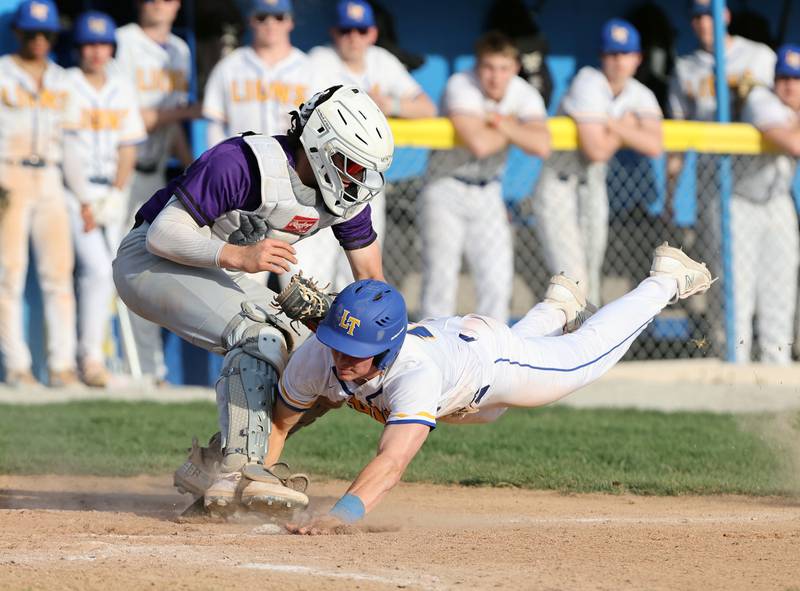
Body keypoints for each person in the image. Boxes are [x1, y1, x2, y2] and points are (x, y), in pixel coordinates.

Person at [271, 243, 714, 534]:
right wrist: (254, 487)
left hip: (488, 361)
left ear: (385, 346)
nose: (341, 357)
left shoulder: (414, 375)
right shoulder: (320, 354)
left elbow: (392, 461)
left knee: (584, 358)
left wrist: (341, 515)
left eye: (355, 349)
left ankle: (667, 279)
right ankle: (557, 306)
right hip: (456, 370)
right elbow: (279, 422)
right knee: (490, 413)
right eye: (338, 344)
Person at [112, 85, 394, 513]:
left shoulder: (344, 196)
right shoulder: (242, 163)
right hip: (148, 262)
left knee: (315, 358)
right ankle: (238, 471)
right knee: (260, 335)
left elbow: (373, 281)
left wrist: (383, 349)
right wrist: (239, 255)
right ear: (319, 144)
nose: (357, 178)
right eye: (350, 163)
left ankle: (210, 467)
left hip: (211, 268)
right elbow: (161, 234)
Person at [287, 0, 436, 292]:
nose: (353, 37)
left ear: (372, 33)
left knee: (357, 269)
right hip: (320, 179)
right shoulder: (319, 60)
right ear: (334, 32)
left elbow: (426, 106)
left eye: (360, 29)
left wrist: (388, 103)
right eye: (346, 30)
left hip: (364, 181)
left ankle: (347, 330)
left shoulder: (382, 61)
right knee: (312, 273)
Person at [419, 31, 550, 323]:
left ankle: (493, 359)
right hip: (445, 187)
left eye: (503, 68)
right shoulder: (461, 84)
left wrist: (500, 123)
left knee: (497, 280)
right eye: (489, 67)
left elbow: (542, 145)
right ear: (478, 66)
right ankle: (434, 357)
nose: (495, 77)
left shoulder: (522, 91)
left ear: (515, 67)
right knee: (440, 281)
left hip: (489, 191)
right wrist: (516, 129)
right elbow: (478, 144)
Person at [533, 18, 663, 305]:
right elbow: (596, 150)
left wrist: (612, 126)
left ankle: (582, 345)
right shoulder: (587, 81)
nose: (618, 61)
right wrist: (625, 128)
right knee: (572, 276)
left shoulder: (640, 93)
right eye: (612, 54)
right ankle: (565, 344)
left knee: (590, 272)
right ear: (602, 56)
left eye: (625, 53)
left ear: (638, 58)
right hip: (560, 185)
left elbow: (654, 145)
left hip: (593, 185)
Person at [113, 0, 198, 383]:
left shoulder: (180, 50)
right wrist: (187, 111)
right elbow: (137, 119)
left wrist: (194, 167)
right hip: (118, 170)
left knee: (147, 269)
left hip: (156, 174)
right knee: (114, 270)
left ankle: (148, 368)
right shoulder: (123, 41)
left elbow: (173, 123)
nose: (157, 4)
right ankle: (122, 365)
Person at [61, 11, 147, 387]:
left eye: (102, 44)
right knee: (94, 271)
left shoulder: (121, 86)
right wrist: (84, 199)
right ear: (79, 48)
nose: (96, 52)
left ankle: (100, 356)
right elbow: (64, 146)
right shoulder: (65, 84)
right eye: (89, 44)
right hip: (71, 188)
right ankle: (88, 359)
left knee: (110, 273)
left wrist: (115, 193)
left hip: (112, 188)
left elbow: (129, 146)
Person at [0, 0, 79, 388]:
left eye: (45, 33)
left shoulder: (64, 79)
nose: (39, 40)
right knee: (8, 275)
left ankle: (62, 365)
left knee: (58, 275)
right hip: (7, 172)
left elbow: (76, 138)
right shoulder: (2, 71)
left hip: (50, 174)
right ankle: (17, 366)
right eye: (32, 33)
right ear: (18, 33)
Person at [729, 45, 800, 364]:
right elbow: (794, 143)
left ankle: (777, 369)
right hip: (742, 203)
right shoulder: (761, 99)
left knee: (780, 291)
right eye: (783, 77)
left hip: (778, 202)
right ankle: (734, 367)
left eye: (796, 78)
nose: (789, 85)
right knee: (738, 294)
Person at [202, 0, 313, 147]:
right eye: (262, 17)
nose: (270, 23)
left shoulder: (310, 69)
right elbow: (214, 126)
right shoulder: (228, 67)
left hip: (293, 163)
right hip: (243, 162)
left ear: (290, 21)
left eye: (279, 17)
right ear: (251, 20)